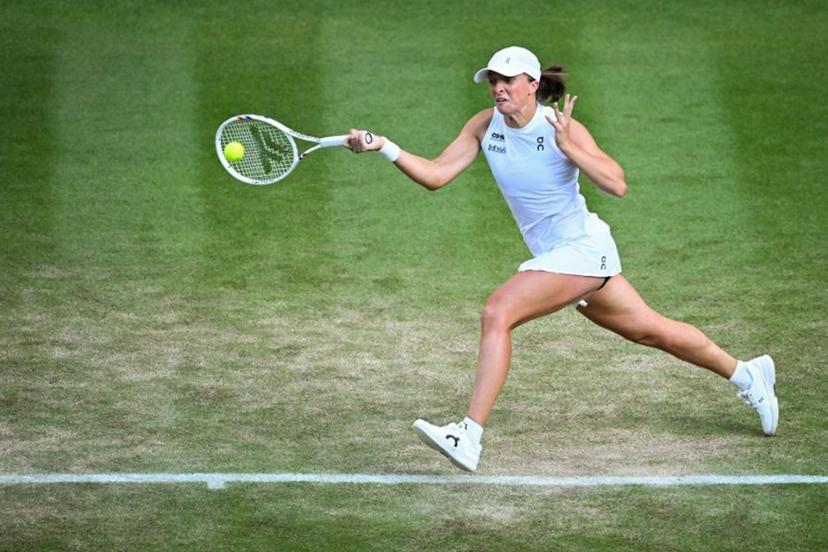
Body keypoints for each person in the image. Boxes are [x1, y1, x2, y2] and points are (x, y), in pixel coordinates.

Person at [344, 46, 778, 472]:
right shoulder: (483, 125)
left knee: (497, 312)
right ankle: (747, 374)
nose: (498, 89)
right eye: (493, 81)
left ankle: (468, 435)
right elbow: (436, 175)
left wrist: (570, 147)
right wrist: (383, 146)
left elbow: (617, 184)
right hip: (563, 257)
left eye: (508, 80)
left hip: (582, 250)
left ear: (532, 85)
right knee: (652, 332)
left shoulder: (559, 126)